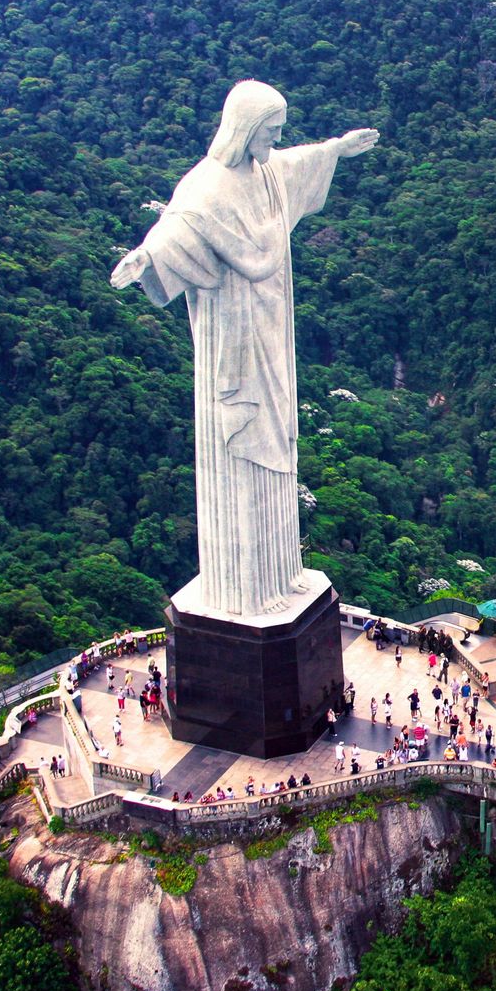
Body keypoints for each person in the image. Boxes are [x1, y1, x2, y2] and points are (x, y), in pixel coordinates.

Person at [112, 81, 378, 616]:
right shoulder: (207, 186)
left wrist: (336, 149)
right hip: (230, 335)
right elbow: (175, 230)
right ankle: (242, 592)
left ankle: (278, 578)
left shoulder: (267, 173)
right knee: (241, 450)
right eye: (271, 130)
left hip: (271, 327)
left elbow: (296, 163)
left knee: (277, 443)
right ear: (245, 128)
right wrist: (143, 259)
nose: (277, 139)